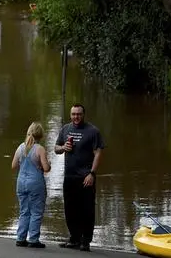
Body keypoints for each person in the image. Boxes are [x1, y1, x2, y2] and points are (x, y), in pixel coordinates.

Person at [55, 103, 105, 252]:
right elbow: (56, 148)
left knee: (87, 210)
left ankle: (86, 241)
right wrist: (63, 147)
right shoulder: (65, 129)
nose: (76, 117)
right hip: (69, 176)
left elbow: (98, 153)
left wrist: (92, 173)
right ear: (70, 115)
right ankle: (74, 238)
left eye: (79, 114)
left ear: (83, 115)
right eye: (73, 114)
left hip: (85, 177)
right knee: (70, 209)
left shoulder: (93, 131)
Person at [11, 121, 51, 248]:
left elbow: (13, 166)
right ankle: (33, 239)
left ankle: (20, 238)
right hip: (35, 183)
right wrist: (48, 163)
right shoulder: (40, 149)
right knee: (36, 211)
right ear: (40, 135)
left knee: (24, 211)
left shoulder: (20, 147)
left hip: (21, 182)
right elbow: (46, 168)